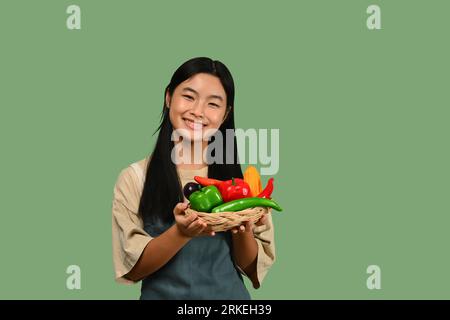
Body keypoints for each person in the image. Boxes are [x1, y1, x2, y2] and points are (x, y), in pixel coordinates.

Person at [111, 57, 275, 300]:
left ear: (226, 114)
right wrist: (181, 233)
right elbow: (132, 270)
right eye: (188, 97)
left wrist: (243, 228)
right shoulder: (135, 178)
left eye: (213, 104)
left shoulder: (243, 183)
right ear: (168, 98)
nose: (198, 111)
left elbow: (252, 270)